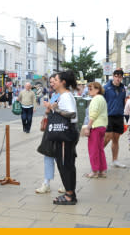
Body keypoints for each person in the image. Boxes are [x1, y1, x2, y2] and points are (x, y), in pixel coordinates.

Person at [50, 71, 79, 205]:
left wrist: (56, 109)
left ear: (63, 82)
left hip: (66, 134)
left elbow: (72, 114)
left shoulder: (66, 96)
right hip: (67, 134)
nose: (53, 81)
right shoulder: (64, 96)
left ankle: (69, 195)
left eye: (56, 79)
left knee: (65, 164)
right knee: (66, 163)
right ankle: (70, 192)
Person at [36, 74, 63, 194]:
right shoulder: (54, 95)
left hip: (60, 129)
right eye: (51, 82)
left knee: (59, 157)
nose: (52, 84)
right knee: (47, 154)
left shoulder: (65, 96)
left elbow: (68, 113)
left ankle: (65, 183)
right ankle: (46, 183)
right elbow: (49, 111)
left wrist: (51, 107)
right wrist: (48, 108)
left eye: (54, 81)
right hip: (50, 128)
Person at [103, 68, 129, 168]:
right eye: (116, 76)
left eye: (120, 77)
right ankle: (97, 156)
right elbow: (101, 101)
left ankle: (115, 160)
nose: (118, 79)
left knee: (116, 139)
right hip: (108, 115)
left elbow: (123, 102)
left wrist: (125, 116)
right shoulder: (106, 87)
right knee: (108, 137)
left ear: (122, 78)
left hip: (119, 116)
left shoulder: (123, 89)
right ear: (113, 76)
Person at [82, 82, 108, 178]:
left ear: (97, 89)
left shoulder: (95, 99)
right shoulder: (102, 98)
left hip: (95, 126)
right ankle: (102, 170)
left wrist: (88, 127)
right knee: (100, 149)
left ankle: (94, 171)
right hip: (102, 126)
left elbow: (93, 114)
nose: (89, 91)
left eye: (91, 89)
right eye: (89, 89)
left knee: (93, 150)